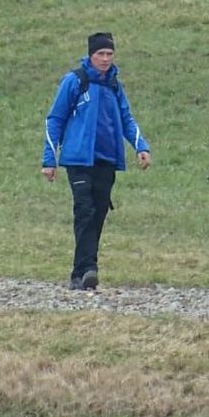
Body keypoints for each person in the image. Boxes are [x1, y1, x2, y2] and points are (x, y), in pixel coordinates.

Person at [42, 32, 152, 291]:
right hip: (79, 159)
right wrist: (50, 159)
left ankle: (80, 273)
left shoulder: (114, 85)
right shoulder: (75, 81)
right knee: (85, 211)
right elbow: (55, 119)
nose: (105, 59)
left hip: (107, 158)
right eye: (100, 54)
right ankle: (88, 268)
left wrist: (140, 147)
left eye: (109, 54)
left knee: (99, 213)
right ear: (91, 55)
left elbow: (127, 118)